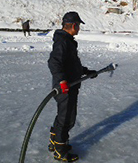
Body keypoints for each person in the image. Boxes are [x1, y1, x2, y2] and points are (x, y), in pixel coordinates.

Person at [47, 11, 97, 162]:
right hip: (65, 88)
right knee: (66, 119)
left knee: (63, 116)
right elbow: (54, 62)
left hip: (69, 85)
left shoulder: (67, 40)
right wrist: (62, 82)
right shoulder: (63, 41)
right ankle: (60, 151)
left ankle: (55, 143)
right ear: (74, 25)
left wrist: (86, 72)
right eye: (79, 26)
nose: (79, 29)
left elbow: (70, 65)